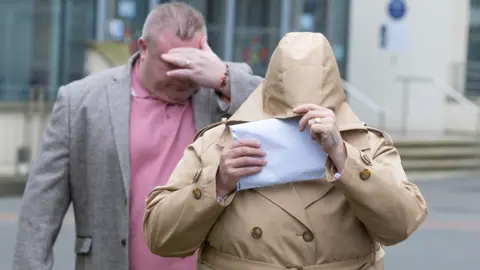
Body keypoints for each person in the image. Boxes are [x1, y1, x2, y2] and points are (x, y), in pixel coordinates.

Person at [142, 32, 428, 270]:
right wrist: (217, 182)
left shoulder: (366, 144)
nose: (299, 127)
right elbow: (161, 238)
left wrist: (344, 157)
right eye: (287, 117)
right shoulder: (219, 142)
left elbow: (400, 225)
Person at [13, 2, 262, 270]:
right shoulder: (80, 102)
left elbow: (281, 112)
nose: (182, 75)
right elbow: (39, 214)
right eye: (171, 63)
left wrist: (223, 78)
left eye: (191, 62)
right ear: (143, 48)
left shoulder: (224, 90)